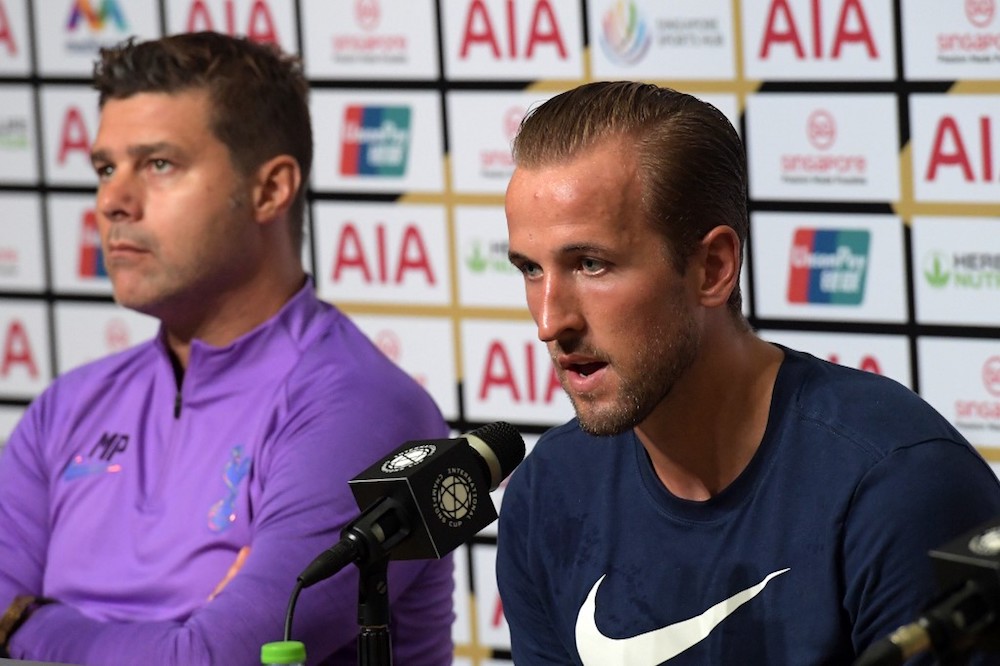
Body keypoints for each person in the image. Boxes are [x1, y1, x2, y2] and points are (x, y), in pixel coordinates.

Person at [496, 80, 1000, 665]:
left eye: (591, 264)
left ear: (713, 268)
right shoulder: (548, 492)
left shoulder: (899, 487)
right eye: (531, 269)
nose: (549, 321)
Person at [0, 32, 454, 665]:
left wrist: (26, 623)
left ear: (270, 190)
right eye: (106, 168)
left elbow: (213, 659)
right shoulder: (67, 407)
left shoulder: (360, 410)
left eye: (158, 164)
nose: (112, 202)